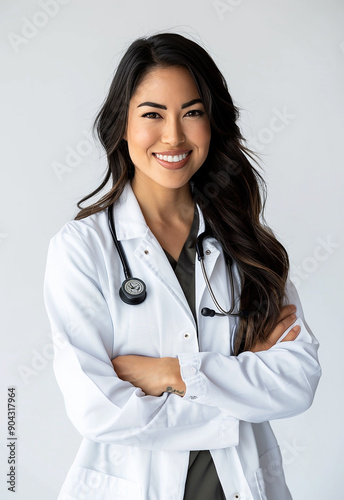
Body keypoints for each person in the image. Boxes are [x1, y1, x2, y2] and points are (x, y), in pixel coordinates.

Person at [43, 32, 321, 500]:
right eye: (152, 114)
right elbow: (99, 409)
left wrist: (172, 372)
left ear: (212, 124)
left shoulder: (247, 245)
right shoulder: (82, 249)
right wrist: (238, 384)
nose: (173, 136)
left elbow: (296, 382)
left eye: (192, 113)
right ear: (122, 125)